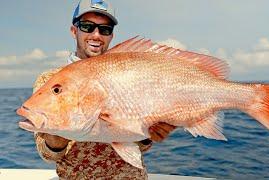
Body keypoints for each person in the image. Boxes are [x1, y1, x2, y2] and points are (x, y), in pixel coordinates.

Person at [33, 0, 175, 179]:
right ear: (74, 30)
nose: (96, 35)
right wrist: (56, 131)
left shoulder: (129, 74)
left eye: (105, 29)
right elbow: (48, 155)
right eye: (87, 26)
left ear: (111, 36)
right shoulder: (51, 81)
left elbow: (141, 147)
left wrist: (149, 134)